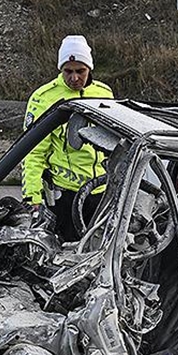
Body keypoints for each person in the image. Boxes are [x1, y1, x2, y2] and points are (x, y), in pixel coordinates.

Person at [21, 35, 113, 241]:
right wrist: (32, 196)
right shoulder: (44, 97)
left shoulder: (105, 93)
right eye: (68, 71)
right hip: (65, 196)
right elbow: (33, 152)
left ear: (89, 69)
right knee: (67, 253)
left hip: (101, 191)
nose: (74, 78)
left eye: (80, 71)